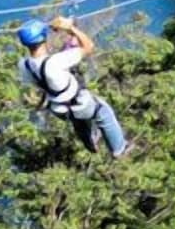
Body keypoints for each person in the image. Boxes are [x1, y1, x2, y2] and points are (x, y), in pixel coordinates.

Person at [17, 15, 133, 159]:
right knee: (103, 112)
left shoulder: (24, 65)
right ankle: (119, 149)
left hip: (57, 108)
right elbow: (88, 46)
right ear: (43, 37)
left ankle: (90, 142)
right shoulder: (55, 62)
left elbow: (43, 75)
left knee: (78, 120)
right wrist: (70, 28)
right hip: (79, 104)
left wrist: (69, 41)